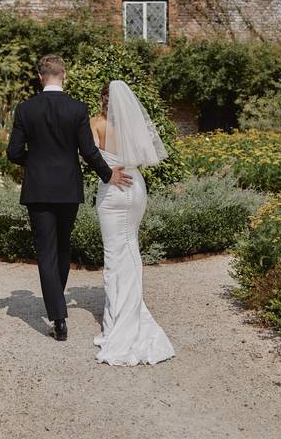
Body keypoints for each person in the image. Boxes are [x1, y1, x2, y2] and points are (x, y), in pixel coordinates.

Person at [6, 55, 132, 341]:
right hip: (67, 189)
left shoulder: (25, 109)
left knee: (46, 251)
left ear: (40, 76)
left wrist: (33, 161)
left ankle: (58, 316)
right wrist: (108, 174)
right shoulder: (77, 109)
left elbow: (13, 152)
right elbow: (89, 151)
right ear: (64, 74)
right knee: (63, 247)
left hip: (38, 189)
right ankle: (57, 304)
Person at [89, 80, 175, 365]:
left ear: (103, 100)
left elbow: (90, 157)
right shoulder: (133, 124)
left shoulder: (96, 123)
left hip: (113, 189)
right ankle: (132, 311)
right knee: (132, 248)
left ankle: (118, 322)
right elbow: (145, 155)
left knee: (114, 254)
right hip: (135, 185)